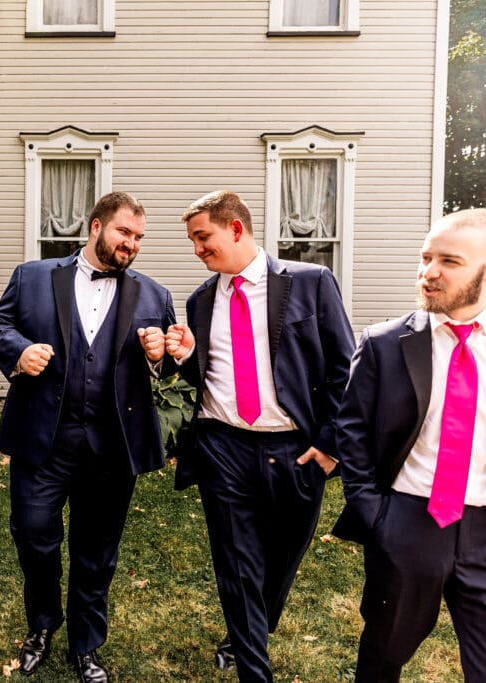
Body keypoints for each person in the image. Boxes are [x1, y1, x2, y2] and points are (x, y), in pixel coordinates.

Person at [331, 208, 486, 682]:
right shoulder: (384, 343)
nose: (429, 272)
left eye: (449, 261)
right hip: (407, 523)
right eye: (425, 257)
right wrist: (375, 514)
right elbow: (352, 432)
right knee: (382, 659)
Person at [0, 191, 176, 683]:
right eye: (124, 232)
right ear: (95, 227)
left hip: (112, 447)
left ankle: (86, 644)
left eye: (138, 237)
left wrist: (161, 354)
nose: (131, 244)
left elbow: (172, 362)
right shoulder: (33, 277)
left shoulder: (154, 296)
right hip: (43, 439)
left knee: (97, 551)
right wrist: (19, 351)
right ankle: (43, 624)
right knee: (33, 536)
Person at [164, 190, 354, 682]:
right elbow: (204, 375)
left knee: (282, 558)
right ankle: (253, 665)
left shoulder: (310, 282)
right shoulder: (201, 300)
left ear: (235, 228)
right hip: (223, 446)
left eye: (202, 237)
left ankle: (251, 627)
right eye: (192, 241)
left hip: (296, 449)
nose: (197, 250)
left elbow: (345, 369)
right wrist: (184, 357)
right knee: (236, 563)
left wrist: (330, 445)